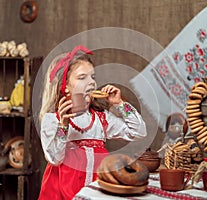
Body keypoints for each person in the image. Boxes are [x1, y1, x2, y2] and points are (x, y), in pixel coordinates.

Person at [38, 45, 147, 199]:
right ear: (66, 87)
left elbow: (139, 132)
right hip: (61, 191)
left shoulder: (102, 119)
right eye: (82, 77)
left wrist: (120, 104)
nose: (91, 83)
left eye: (93, 77)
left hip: (97, 191)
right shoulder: (53, 120)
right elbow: (55, 159)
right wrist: (63, 125)